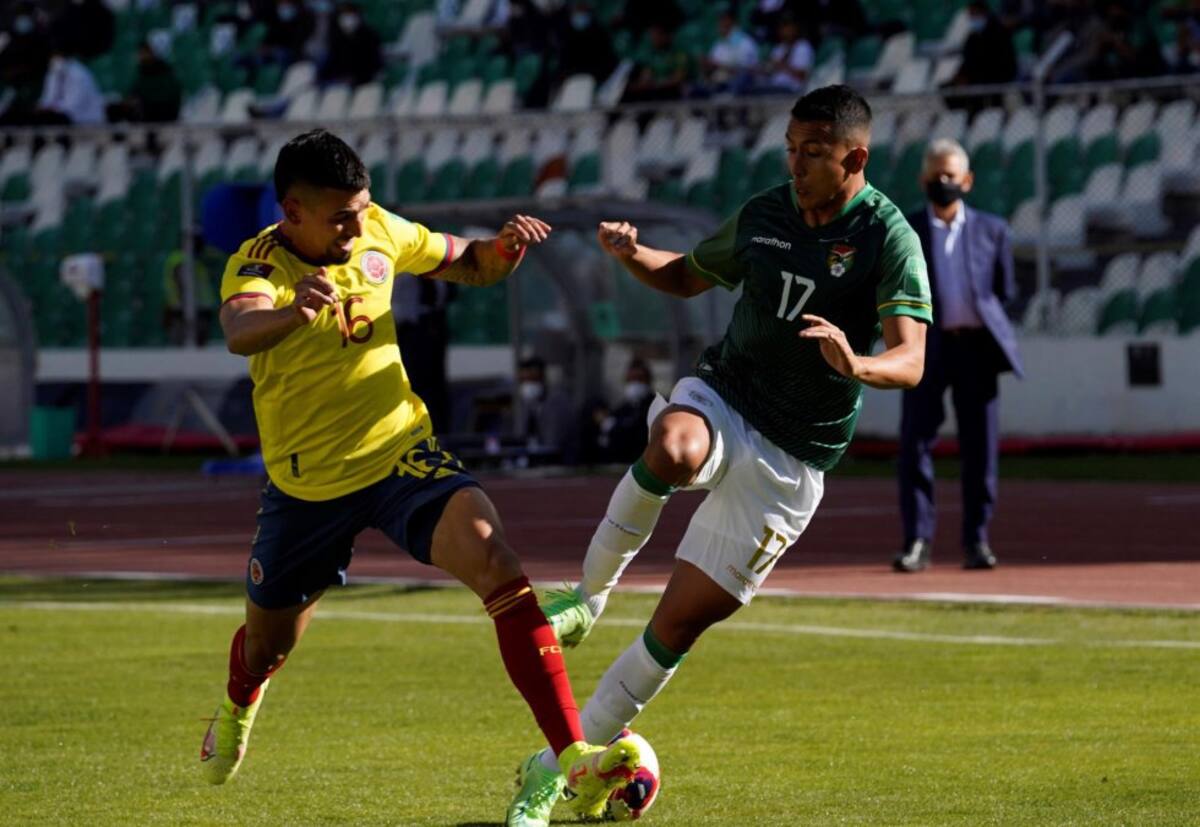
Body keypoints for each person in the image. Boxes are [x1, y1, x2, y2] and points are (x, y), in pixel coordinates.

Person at [506, 85, 931, 824]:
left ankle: (550, 771)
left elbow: (913, 358)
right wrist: (634, 252)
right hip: (727, 396)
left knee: (676, 626)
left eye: (813, 154)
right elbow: (686, 275)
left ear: (854, 157)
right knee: (670, 444)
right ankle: (588, 594)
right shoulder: (767, 213)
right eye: (791, 149)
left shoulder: (888, 237)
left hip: (795, 457)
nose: (796, 165)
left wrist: (854, 363)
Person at [198, 130, 642, 822]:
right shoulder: (257, 261)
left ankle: (573, 754)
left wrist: (502, 251)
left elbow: (464, 261)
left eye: (363, 208)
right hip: (308, 487)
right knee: (268, 644)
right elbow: (239, 327)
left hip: (401, 453)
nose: (358, 224)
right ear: (293, 211)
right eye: (340, 216)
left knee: (498, 561)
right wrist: (294, 311)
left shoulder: (378, 228)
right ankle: (239, 698)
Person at [893, 138, 1021, 574]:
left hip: (977, 349)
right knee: (915, 445)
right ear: (922, 179)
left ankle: (977, 541)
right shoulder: (906, 231)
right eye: (936, 175)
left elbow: (1005, 291)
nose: (943, 182)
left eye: (951, 175)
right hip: (925, 349)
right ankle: (917, 542)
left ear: (967, 180)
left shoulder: (993, 229)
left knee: (980, 448)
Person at [392, 269, 456, 433]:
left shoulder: (437, 267)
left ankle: (440, 431)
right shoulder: (401, 270)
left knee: (436, 386)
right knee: (415, 383)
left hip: (434, 326)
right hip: (409, 330)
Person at [515, 355, 577, 464]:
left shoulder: (556, 400)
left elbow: (553, 442)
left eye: (531, 380)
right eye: (523, 380)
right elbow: (522, 435)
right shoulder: (529, 403)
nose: (526, 385)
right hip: (538, 460)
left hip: (560, 462)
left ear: (541, 377)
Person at [318, 2, 382, 87]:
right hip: (338, 81)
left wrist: (355, 78)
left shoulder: (369, 36)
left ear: (358, 16)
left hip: (362, 82)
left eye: (350, 14)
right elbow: (331, 62)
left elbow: (373, 63)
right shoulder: (337, 38)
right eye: (344, 15)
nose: (347, 19)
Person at [701, 7, 760, 95]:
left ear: (733, 22)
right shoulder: (718, 45)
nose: (720, 23)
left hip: (738, 87)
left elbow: (747, 72)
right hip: (718, 85)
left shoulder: (746, 42)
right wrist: (706, 66)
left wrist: (718, 66)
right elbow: (711, 68)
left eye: (724, 19)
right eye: (720, 20)